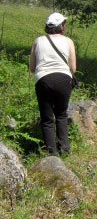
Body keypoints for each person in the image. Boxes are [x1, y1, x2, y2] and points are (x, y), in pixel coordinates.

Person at [29, 12, 76, 156]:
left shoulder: (38, 41)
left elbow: (32, 68)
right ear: (61, 26)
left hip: (43, 79)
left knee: (47, 118)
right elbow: (73, 68)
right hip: (63, 79)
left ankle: (51, 153)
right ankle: (65, 150)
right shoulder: (68, 41)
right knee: (61, 114)